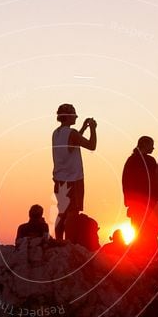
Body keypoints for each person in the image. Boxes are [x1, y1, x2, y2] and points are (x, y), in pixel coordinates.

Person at [52, 103, 97, 240]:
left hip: (59, 178)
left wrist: (83, 128)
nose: (76, 118)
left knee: (62, 212)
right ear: (69, 117)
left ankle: (59, 239)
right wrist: (93, 129)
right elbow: (91, 146)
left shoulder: (57, 133)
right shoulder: (72, 133)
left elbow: (72, 144)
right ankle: (69, 242)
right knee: (73, 213)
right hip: (74, 178)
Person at [122, 136, 158, 235]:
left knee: (138, 232)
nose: (153, 148)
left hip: (136, 204)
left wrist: (129, 201)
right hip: (148, 203)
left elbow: (125, 182)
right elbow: (156, 180)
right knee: (150, 233)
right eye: (151, 145)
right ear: (145, 145)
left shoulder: (131, 160)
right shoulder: (150, 161)